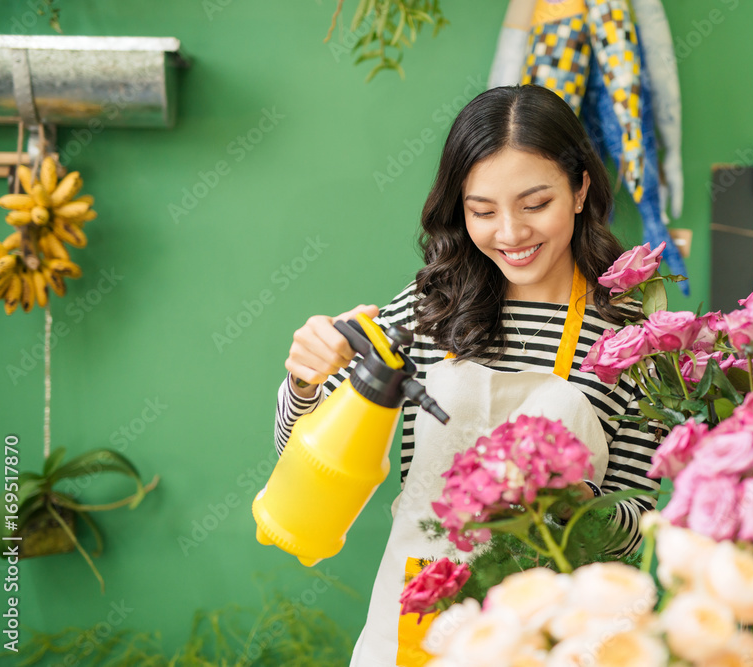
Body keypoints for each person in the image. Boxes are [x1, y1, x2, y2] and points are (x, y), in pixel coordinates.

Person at [274, 85, 666, 667]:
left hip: (562, 630)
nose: (509, 233)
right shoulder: (427, 310)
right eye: (482, 211)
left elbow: (636, 528)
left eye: (535, 204)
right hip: (423, 618)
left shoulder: (632, 334)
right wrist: (306, 381)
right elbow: (303, 456)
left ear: (581, 189)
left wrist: (572, 503)